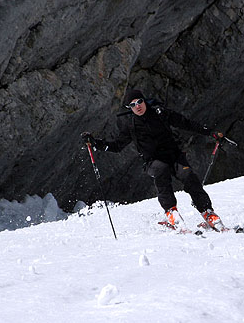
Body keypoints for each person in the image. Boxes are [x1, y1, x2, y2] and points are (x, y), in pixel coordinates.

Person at [81, 88, 227, 231]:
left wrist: (210, 133)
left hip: (174, 156)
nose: (137, 106)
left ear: (144, 101)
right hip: (152, 161)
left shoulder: (160, 113)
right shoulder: (131, 125)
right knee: (161, 171)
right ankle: (171, 211)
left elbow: (185, 123)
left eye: (139, 101)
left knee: (188, 176)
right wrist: (95, 143)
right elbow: (117, 146)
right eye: (132, 104)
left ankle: (207, 211)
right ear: (129, 108)